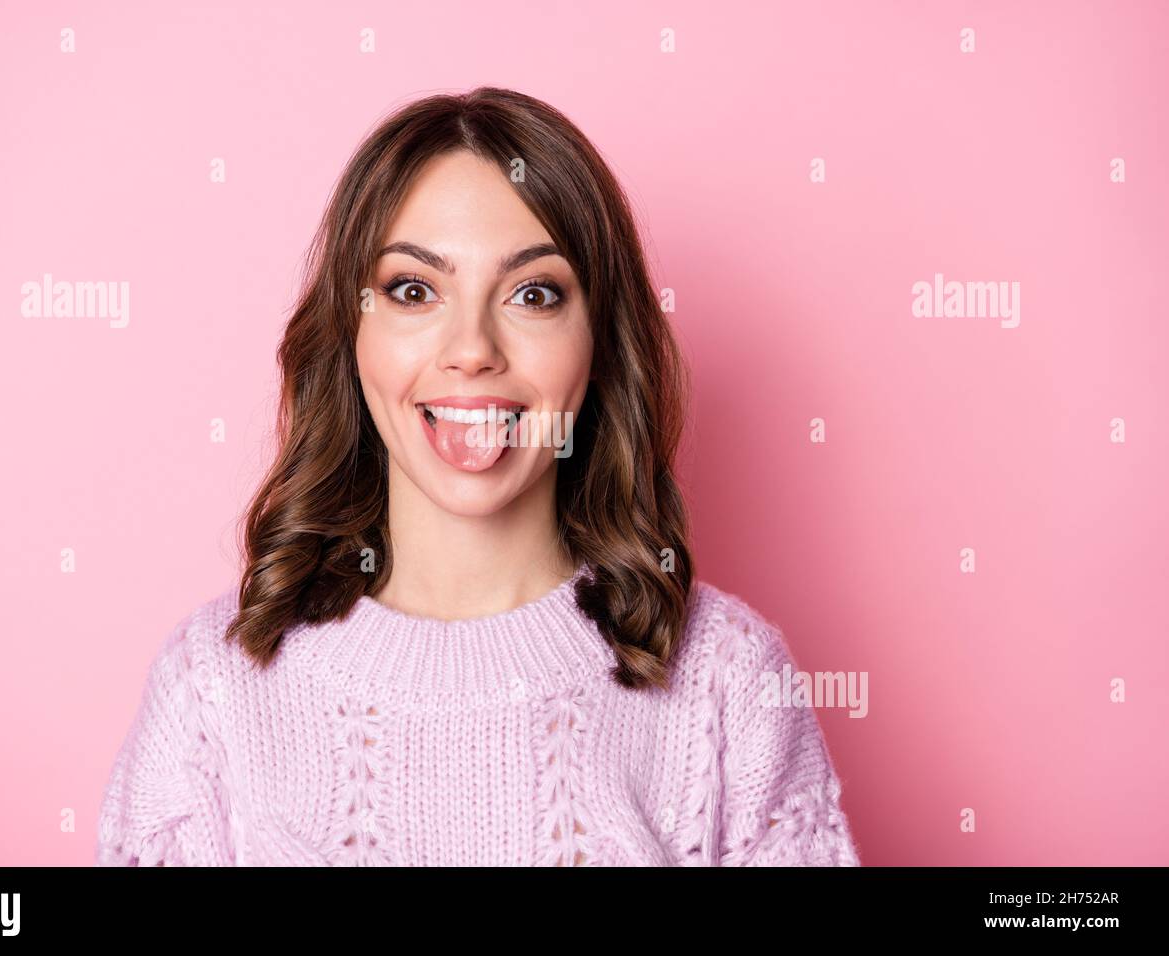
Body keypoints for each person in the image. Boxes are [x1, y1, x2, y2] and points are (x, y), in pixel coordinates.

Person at [95, 87, 861, 866]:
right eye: (414, 290)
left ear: (599, 343)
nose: (471, 348)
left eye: (533, 294)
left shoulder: (731, 682)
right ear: (352, 334)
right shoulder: (211, 691)